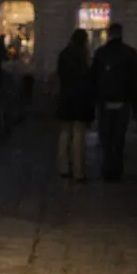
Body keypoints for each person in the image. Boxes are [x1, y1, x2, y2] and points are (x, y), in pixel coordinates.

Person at [93, 23, 137, 180]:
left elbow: (93, 78)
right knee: (119, 136)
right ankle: (117, 168)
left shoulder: (101, 53)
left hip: (105, 100)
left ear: (108, 34)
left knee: (106, 135)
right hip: (124, 99)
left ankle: (107, 167)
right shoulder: (130, 53)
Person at [55, 29, 95, 181]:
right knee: (79, 133)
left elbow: (59, 74)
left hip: (66, 97)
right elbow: (89, 77)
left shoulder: (64, 54)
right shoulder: (84, 56)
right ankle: (78, 171)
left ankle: (63, 167)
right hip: (81, 98)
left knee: (64, 132)